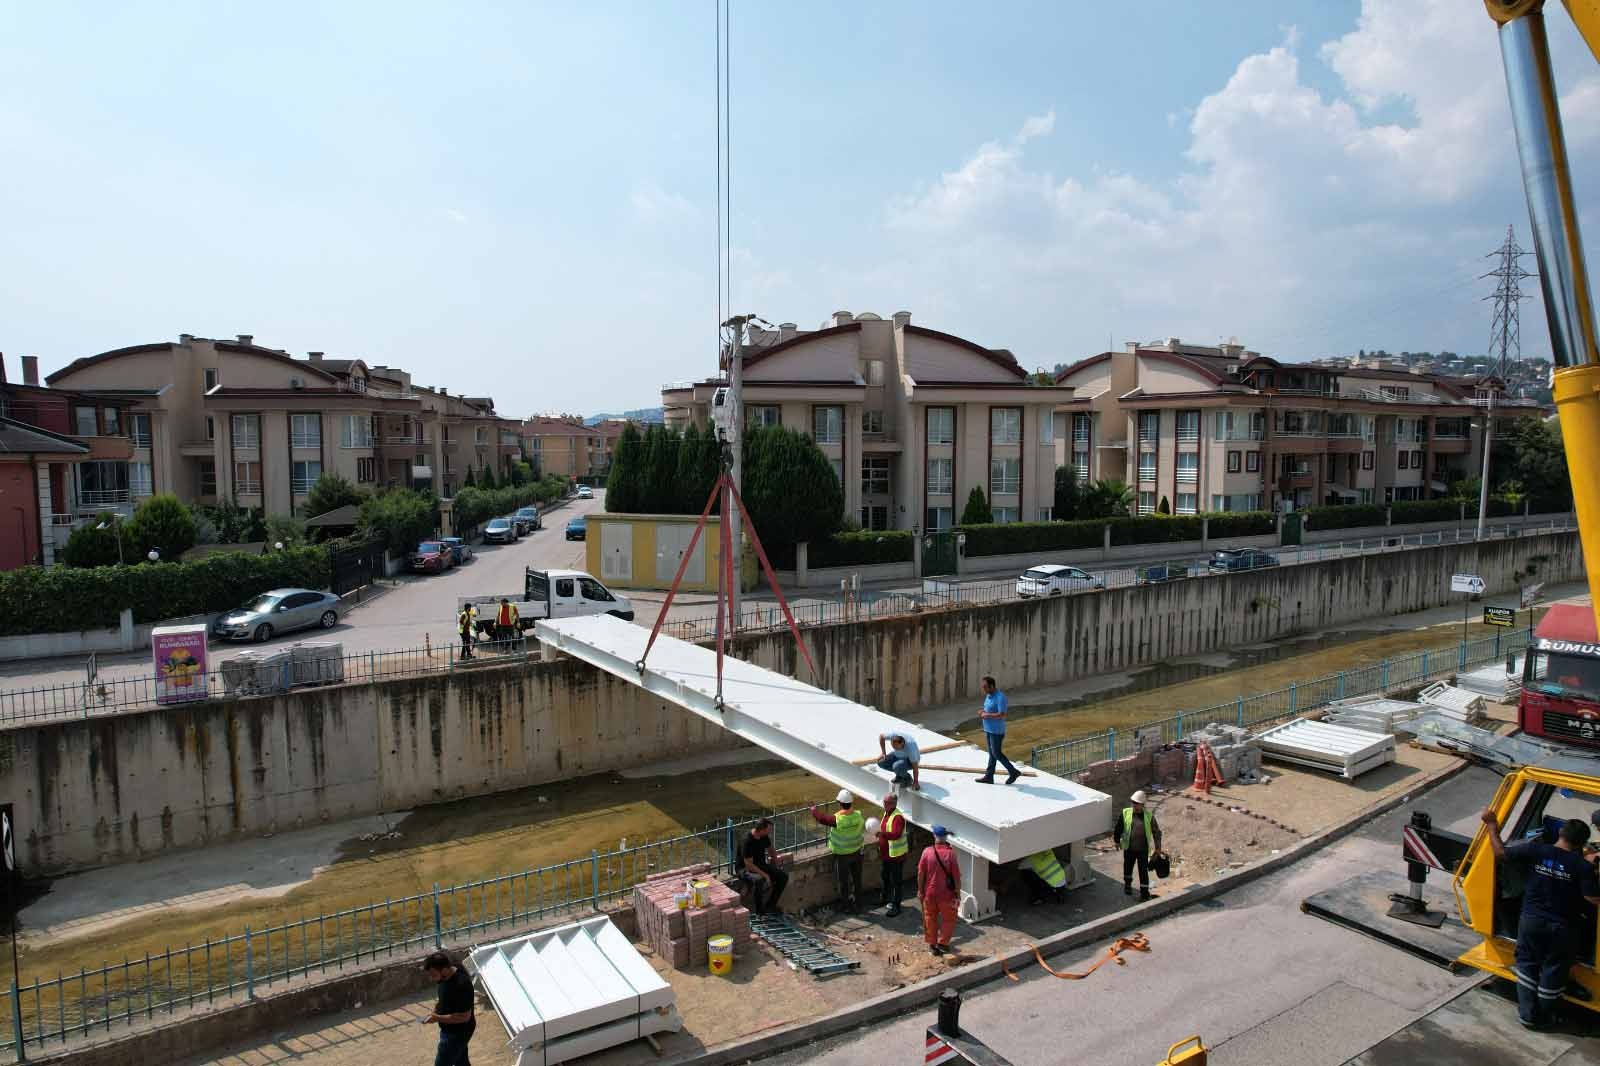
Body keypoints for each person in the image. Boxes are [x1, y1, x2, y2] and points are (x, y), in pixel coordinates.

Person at [1481, 807, 1600, 1028]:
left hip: (1532, 921)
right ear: (1582, 843)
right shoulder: (1582, 866)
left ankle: (1527, 1016)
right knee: (1555, 968)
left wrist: (1491, 826)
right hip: (1563, 927)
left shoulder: (1536, 851)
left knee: (1527, 963)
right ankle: (1546, 1013)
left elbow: (1500, 853)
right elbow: (1592, 899)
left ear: (1561, 834)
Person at [812, 789, 866, 912]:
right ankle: (859, 904)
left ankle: (846, 906)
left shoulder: (838, 819)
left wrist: (814, 810)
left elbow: (822, 819)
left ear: (840, 803)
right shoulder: (858, 815)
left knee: (843, 881)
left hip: (843, 855)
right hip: (857, 852)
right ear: (851, 803)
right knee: (857, 879)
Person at [422, 950, 476, 1066]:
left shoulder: (462, 984)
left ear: (445, 970)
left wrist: (437, 1018)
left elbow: (464, 1017)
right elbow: (443, 998)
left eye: (433, 974)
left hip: (458, 1033)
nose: (432, 978)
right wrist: (435, 1011)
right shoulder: (445, 976)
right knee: (461, 1062)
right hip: (449, 1030)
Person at [917, 825, 961, 956]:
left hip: (929, 894)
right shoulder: (951, 854)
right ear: (945, 837)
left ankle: (932, 945)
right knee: (949, 919)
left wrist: (920, 891)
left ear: (934, 836)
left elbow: (920, 873)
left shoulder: (927, 852)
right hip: (947, 895)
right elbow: (956, 877)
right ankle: (943, 943)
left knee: (930, 918)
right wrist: (958, 894)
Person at [1117, 790, 1163, 901]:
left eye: (1137, 803)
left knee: (1143, 871)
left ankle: (1144, 893)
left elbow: (1156, 832)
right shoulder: (1126, 813)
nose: (1135, 805)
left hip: (1143, 850)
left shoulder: (1149, 816)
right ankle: (1128, 886)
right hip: (1129, 848)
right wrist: (1116, 840)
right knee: (1127, 868)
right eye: (1133, 803)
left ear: (1143, 804)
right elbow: (1119, 827)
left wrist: (1158, 848)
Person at [975, 676, 1020, 786]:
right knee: (992, 754)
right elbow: (988, 709)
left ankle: (1013, 772)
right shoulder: (989, 696)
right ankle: (989, 776)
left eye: (985, 687)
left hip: (997, 731)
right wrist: (982, 712)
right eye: (983, 687)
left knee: (996, 753)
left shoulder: (1000, 697)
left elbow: (1002, 714)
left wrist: (987, 715)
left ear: (992, 686)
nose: (984, 689)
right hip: (989, 730)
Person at [740, 817, 788, 915]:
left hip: (760, 865)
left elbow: (771, 851)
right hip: (745, 868)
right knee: (759, 880)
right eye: (768, 830)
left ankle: (770, 906)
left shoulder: (764, 836)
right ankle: (760, 912)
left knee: (782, 876)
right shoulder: (747, 841)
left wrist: (776, 867)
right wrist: (766, 876)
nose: (770, 832)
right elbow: (749, 865)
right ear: (761, 829)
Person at [877, 792, 909, 916]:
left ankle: (896, 906)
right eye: (884, 802)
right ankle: (884, 898)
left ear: (893, 804)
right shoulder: (887, 813)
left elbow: (896, 834)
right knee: (885, 877)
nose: (883, 804)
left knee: (896, 881)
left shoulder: (898, 817)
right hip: (887, 855)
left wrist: (882, 834)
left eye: (886, 803)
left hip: (896, 856)